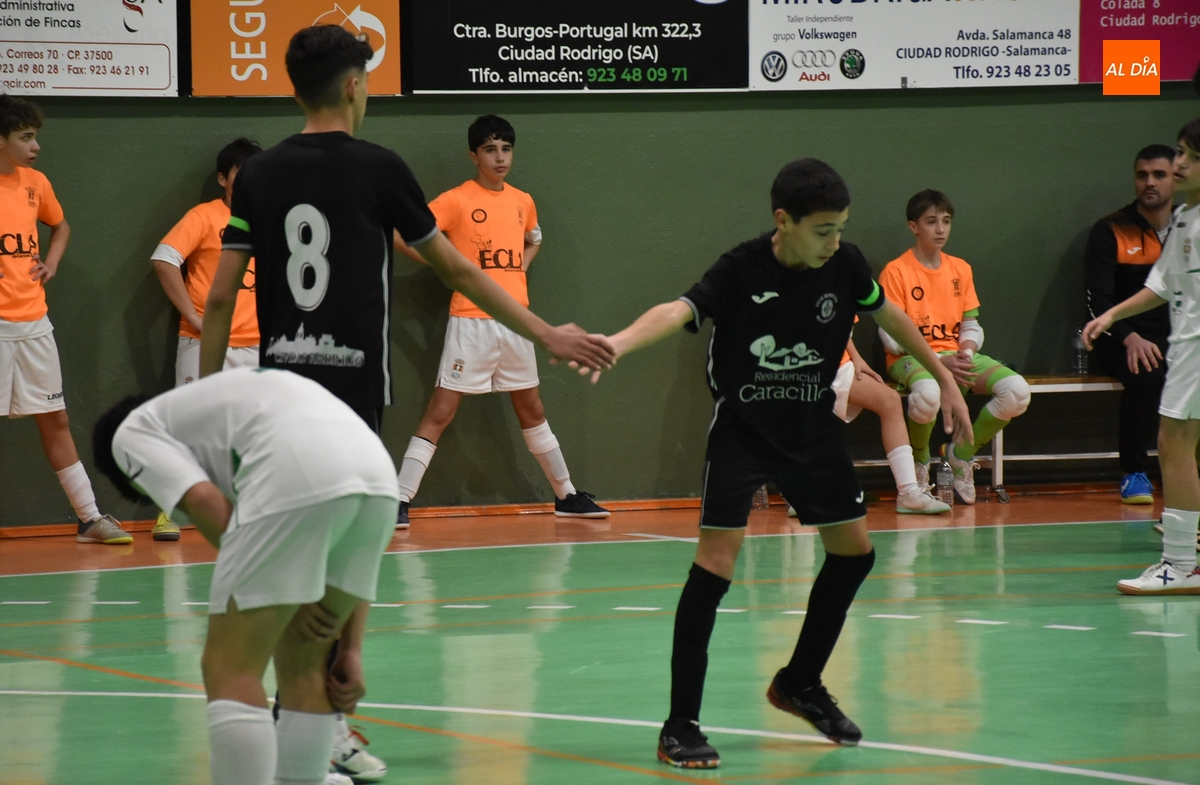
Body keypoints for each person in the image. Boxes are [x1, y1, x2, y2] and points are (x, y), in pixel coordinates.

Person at [197, 26, 612, 780]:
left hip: (278, 397)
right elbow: (461, 272)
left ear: (296, 87)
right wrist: (546, 331)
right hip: (352, 397)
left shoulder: (257, 175)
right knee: (337, 564)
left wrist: (209, 399)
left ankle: (316, 724)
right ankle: (307, 734)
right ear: (355, 85)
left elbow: (222, 296)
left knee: (301, 559)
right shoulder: (380, 168)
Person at [600, 159, 972, 768]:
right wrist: (616, 343)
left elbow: (890, 315)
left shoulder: (846, 264)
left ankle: (800, 682)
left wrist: (944, 378)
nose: (834, 241)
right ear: (784, 221)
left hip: (811, 430)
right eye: (823, 230)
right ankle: (680, 724)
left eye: (840, 228)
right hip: (744, 432)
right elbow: (678, 310)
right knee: (715, 567)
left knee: (854, 554)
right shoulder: (741, 267)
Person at [91, 367, 399, 785]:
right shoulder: (221, 411)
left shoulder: (130, 434)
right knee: (306, 660)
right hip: (379, 477)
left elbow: (204, 500)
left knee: (229, 665)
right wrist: (351, 650)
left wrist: (290, 584)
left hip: (300, 471)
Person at [392, 115, 609, 527]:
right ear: (473, 156)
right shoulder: (456, 200)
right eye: (490, 149)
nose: (500, 157)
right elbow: (402, 235)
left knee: (532, 410)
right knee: (441, 410)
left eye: (506, 149)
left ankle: (566, 496)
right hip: (470, 321)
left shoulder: (522, 201)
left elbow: (534, 238)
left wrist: (518, 271)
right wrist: (445, 266)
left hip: (516, 323)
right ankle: (399, 499)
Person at [0, 94, 129, 543]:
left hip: (34, 323)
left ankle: (90, 519)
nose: (35, 146)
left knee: (54, 419)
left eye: (35, 136)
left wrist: (51, 262)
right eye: (26, 137)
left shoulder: (36, 183)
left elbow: (61, 226)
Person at [1084, 119, 1200, 595]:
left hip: (1195, 349)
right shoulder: (1185, 217)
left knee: (1174, 445)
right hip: (1186, 347)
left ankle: (1181, 563)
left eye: (1190, 156)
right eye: (1179, 152)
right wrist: (1112, 315)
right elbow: (1162, 284)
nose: (1179, 163)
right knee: (1182, 447)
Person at [879, 190, 1032, 504]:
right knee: (928, 394)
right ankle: (919, 464)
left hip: (955, 357)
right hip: (910, 358)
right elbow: (891, 337)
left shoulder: (960, 269)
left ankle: (961, 455)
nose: (940, 229)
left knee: (1017, 392)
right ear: (913, 226)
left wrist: (965, 352)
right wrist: (937, 360)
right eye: (931, 221)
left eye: (946, 221)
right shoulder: (896, 271)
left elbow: (971, 325)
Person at [148, 137, 263, 542]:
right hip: (204, 343)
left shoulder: (269, 216)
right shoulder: (204, 216)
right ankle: (168, 511)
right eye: (240, 175)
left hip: (259, 346)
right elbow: (164, 259)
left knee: (257, 433)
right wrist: (195, 316)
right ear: (222, 179)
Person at [1084, 145, 1176, 505]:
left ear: (1176, 178)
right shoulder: (1111, 229)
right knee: (1147, 371)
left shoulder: (1189, 227)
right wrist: (1129, 336)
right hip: (1119, 337)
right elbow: (1097, 301)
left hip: (1180, 337)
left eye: (1159, 175)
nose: (1149, 182)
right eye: (1142, 175)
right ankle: (1134, 472)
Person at [830, 335, 950, 513]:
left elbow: (840, 325)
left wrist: (856, 357)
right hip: (798, 365)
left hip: (838, 365)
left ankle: (909, 493)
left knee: (890, 401)